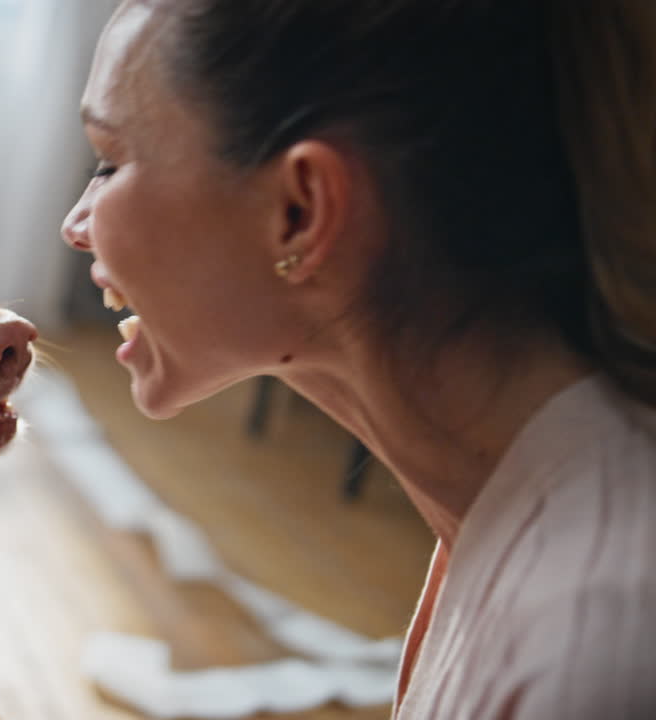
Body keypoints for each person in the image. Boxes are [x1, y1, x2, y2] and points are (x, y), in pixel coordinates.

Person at [60, 1, 656, 717]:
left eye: (110, 161)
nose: (75, 227)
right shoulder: (509, 506)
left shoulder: (587, 659)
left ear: (300, 212)